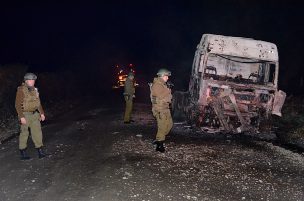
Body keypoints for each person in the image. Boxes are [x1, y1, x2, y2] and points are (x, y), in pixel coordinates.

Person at [15, 73, 46, 160]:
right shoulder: (21, 90)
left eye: (33, 80)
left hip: (34, 114)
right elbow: (17, 105)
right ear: (26, 81)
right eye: (30, 80)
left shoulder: (35, 90)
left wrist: (42, 113)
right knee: (24, 133)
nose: (32, 82)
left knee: (37, 132)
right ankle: (23, 152)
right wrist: (21, 117)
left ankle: (40, 151)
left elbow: (38, 103)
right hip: (25, 114)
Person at [150, 68, 173, 152]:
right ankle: (159, 145)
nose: (168, 78)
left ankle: (159, 138)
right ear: (162, 76)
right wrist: (168, 89)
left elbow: (167, 96)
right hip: (159, 109)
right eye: (167, 76)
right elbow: (160, 95)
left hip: (165, 108)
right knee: (162, 127)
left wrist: (168, 88)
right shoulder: (157, 84)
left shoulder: (163, 84)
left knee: (169, 125)